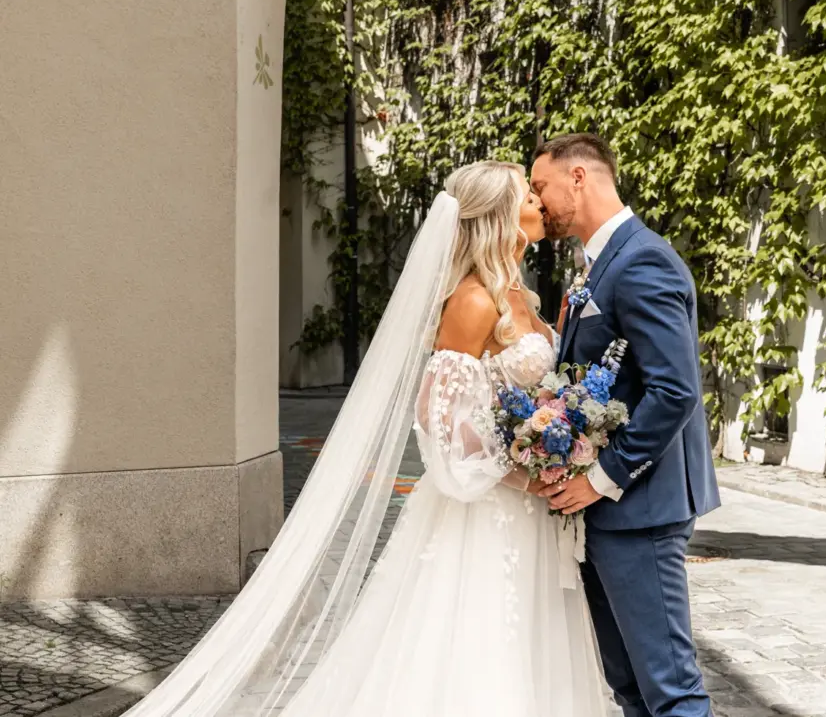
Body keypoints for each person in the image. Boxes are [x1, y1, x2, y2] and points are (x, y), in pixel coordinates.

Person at [121, 161, 610, 717]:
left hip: (533, 517)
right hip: (487, 512)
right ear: (501, 215)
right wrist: (525, 474)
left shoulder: (522, 294)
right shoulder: (475, 301)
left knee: (531, 647)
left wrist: (557, 438)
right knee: (476, 652)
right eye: (528, 194)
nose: (539, 203)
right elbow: (441, 419)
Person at [530, 133, 722, 717]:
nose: (538, 203)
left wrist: (601, 477)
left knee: (671, 691)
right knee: (630, 688)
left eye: (541, 187)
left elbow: (675, 390)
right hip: (607, 514)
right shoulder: (596, 265)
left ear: (579, 177)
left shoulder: (642, 260)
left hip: (641, 507)